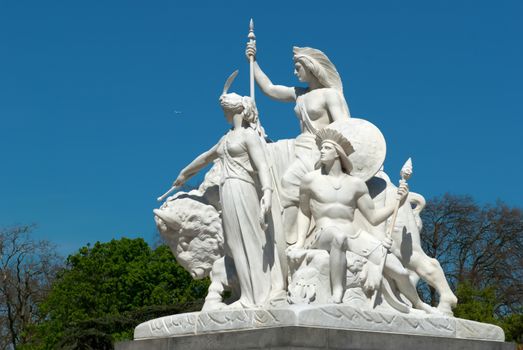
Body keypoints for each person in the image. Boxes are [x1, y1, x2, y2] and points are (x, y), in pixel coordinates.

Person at [290, 128, 435, 313]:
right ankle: (337, 293)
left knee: (398, 270)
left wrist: (398, 203)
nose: (322, 151)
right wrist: (300, 242)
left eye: (326, 148)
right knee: (338, 237)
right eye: (321, 148)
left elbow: (373, 218)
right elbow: (304, 212)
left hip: (354, 235)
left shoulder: (356, 184)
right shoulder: (310, 180)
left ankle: (418, 303)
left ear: (338, 153)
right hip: (323, 234)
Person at [172, 75, 284, 308]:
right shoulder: (226, 139)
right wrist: (184, 174)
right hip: (228, 191)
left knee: (250, 239)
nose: (223, 115)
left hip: (244, 188)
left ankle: (258, 296)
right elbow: (205, 157)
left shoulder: (249, 136)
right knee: (234, 244)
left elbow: (263, 165)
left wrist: (267, 192)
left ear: (233, 111)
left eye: (224, 110)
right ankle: (246, 295)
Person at [246, 44, 350, 244]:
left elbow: (344, 126)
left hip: (319, 149)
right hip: (299, 146)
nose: (295, 72)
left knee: (290, 181)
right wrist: (253, 62)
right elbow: (270, 89)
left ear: (310, 67)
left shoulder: (330, 95)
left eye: (298, 67)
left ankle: (290, 238)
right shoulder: (300, 94)